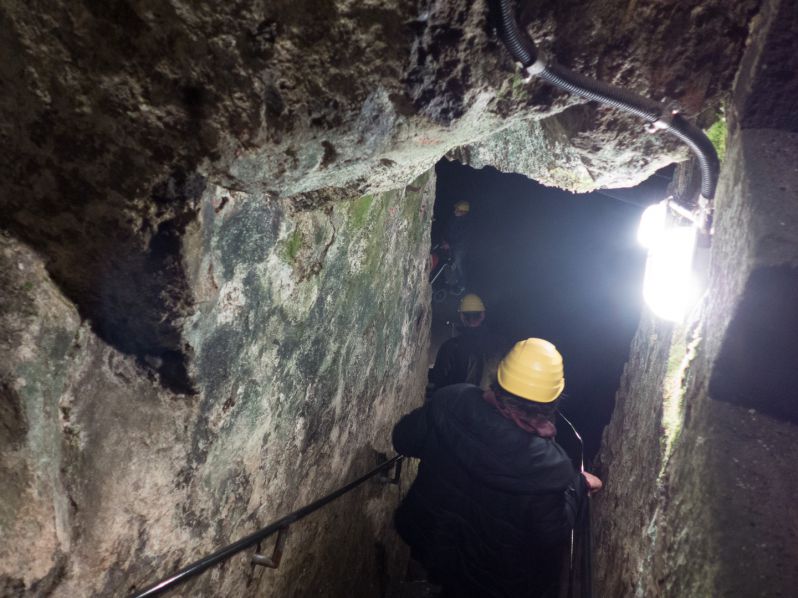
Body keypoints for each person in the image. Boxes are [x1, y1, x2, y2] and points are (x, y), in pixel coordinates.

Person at [393, 338, 602, 598]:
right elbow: (551, 532)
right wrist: (578, 486)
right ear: (552, 402)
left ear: (499, 379)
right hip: (493, 577)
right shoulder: (548, 466)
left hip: (434, 540)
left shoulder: (452, 401)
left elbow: (403, 439)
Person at [428, 293, 503, 392]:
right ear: (482, 315)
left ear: (462, 317)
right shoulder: (497, 347)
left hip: (457, 403)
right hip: (486, 405)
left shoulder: (450, 347)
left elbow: (439, 380)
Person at [442, 200, 471, 292]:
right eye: (455, 209)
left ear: (463, 212)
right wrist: (444, 240)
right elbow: (447, 229)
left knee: (459, 265)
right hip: (449, 245)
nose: (455, 211)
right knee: (448, 263)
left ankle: (461, 285)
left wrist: (450, 245)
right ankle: (450, 281)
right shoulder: (453, 218)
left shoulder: (466, 224)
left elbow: (463, 240)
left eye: (457, 210)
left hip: (459, 249)